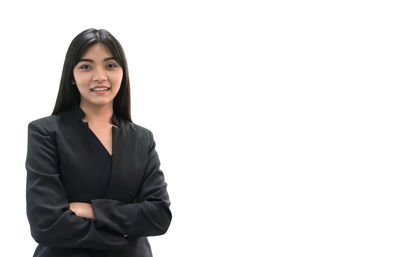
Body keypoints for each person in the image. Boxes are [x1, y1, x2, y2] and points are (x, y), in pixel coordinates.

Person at [25, 28, 172, 257]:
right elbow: (46, 224)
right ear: (71, 76)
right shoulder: (45, 132)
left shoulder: (142, 139)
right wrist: (125, 238)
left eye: (110, 65)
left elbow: (159, 216)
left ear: (123, 72)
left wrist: (91, 210)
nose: (100, 76)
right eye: (86, 66)